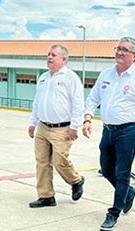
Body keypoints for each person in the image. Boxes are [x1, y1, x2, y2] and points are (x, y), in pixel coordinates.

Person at [83, 37, 135, 231]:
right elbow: (93, 98)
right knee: (106, 169)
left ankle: (114, 212)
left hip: (128, 131)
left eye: (125, 50)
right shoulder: (106, 74)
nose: (120, 52)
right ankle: (128, 193)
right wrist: (87, 118)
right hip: (108, 130)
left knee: (122, 173)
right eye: (118, 48)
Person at [28, 44, 85, 208]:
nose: (49, 58)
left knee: (59, 160)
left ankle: (76, 180)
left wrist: (75, 126)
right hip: (43, 127)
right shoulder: (44, 77)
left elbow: (78, 103)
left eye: (53, 55)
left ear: (64, 59)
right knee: (42, 162)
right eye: (48, 55)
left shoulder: (70, 78)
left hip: (62, 128)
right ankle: (46, 196)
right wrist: (33, 123)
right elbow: (37, 102)